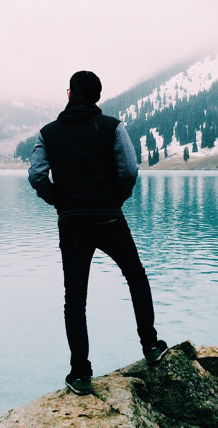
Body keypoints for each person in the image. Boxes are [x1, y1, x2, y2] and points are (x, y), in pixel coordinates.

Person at [28, 70, 167, 396]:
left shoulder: (48, 133)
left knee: (75, 298)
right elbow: (130, 169)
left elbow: (36, 175)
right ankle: (150, 345)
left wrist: (58, 200)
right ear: (98, 97)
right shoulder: (112, 127)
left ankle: (80, 373)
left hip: (72, 222)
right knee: (135, 275)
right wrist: (115, 198)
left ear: (70, 95)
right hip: (109, 218)